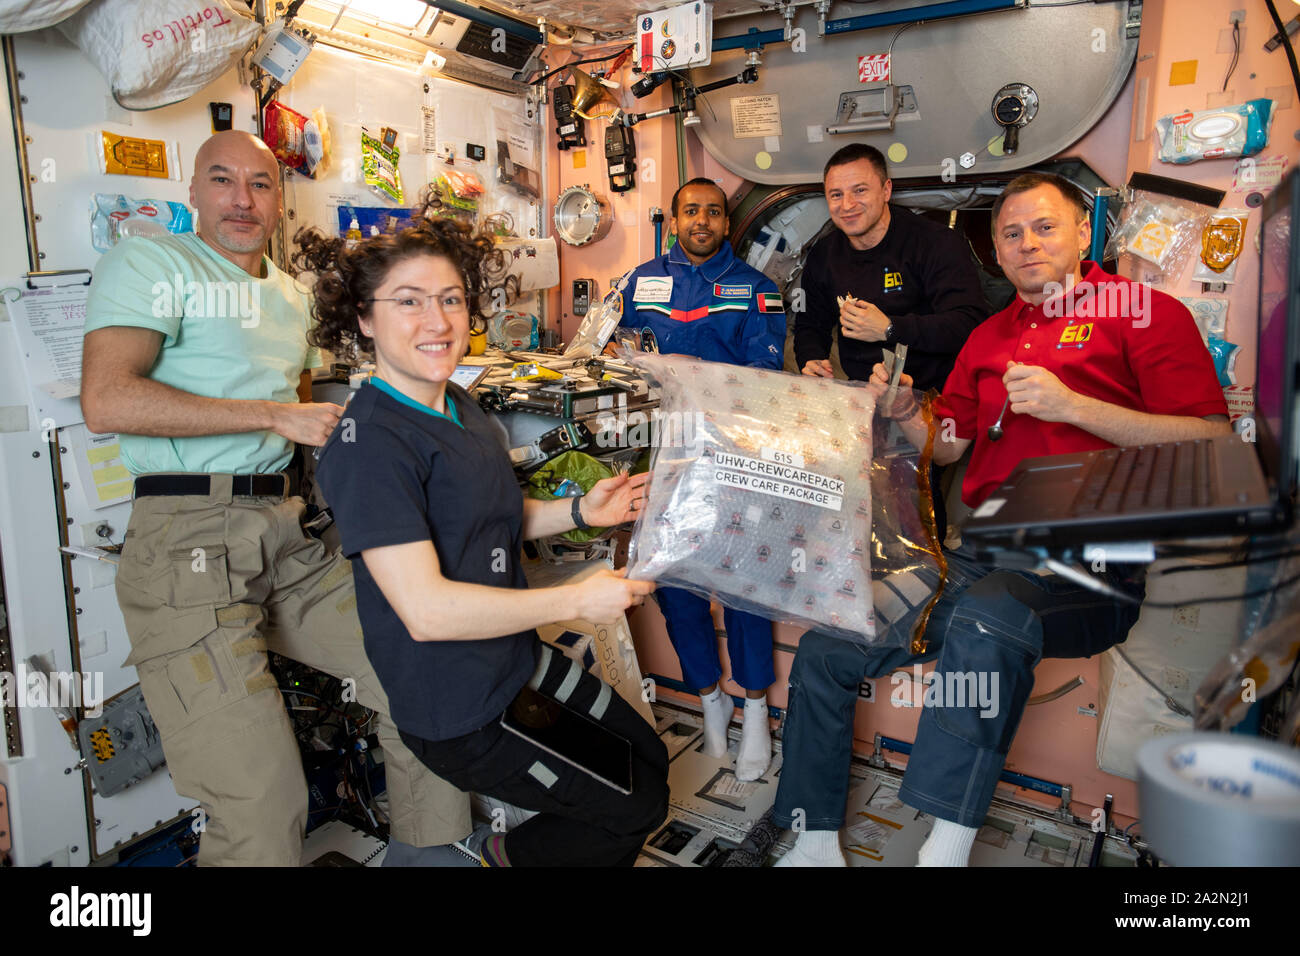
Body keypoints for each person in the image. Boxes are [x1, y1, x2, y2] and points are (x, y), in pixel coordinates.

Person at [773, 172, 1230, 867]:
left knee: (990, 616)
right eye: (1010, 233)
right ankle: (811, 842)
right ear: (995, 248)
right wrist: (906, 413)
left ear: (1083, 233)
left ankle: (943, 851)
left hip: (1090, 566)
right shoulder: (987, 337)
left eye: (1045, 227)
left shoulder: (1144, 313)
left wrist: (1073, 406)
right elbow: (949, 441)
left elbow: (1210, 443)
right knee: (832, 638)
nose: (1026, 244)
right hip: (982, 558)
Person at [80, 130, 474, 866]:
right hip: (186, 544)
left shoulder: (289, 294)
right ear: (192, 194)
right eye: (222, 180)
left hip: (288, 533)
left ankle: (433, 855)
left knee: (428, 680)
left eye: (260, 184)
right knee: (264, 803)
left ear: (279, 200)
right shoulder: (153, 263)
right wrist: (272, 416)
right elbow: (107, 399)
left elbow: (310, 403)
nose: (241, 199)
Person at [306, 206, 670, 867]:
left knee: (648, 760)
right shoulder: (370, 446)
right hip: (463, 710)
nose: (437, 320)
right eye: (408, 301)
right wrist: (575, 601)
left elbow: (493, 515)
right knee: (631, 808)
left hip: (514, 662)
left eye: (449, 298)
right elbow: (427, 610)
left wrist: (584, 510)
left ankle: (502, 852)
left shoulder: (456, 401)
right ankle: (500, 860)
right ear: (363, 317)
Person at [617, 177, 786, 780]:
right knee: (675, 589)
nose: (702, 220)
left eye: (713, 212)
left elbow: (762, 378)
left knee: (744, 592)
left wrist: (683, 372)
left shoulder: (757, 290)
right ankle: (710, 701)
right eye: (691, 210)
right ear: (675, 217)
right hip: (663, 460)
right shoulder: (638, 283)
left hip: (733, 461)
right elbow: (616, 355)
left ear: (725, 222)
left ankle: (756, 710)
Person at [793, 143, 988, 393]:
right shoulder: (824, 255)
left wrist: (889, 328)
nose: (847, 205)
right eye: (836, 195)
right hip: (864, 394)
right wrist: (811, 360)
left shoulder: (933, 243)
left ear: (886, 190)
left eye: (860, 190)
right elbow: (810, 324)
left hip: (933, 395)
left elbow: (968, 324)